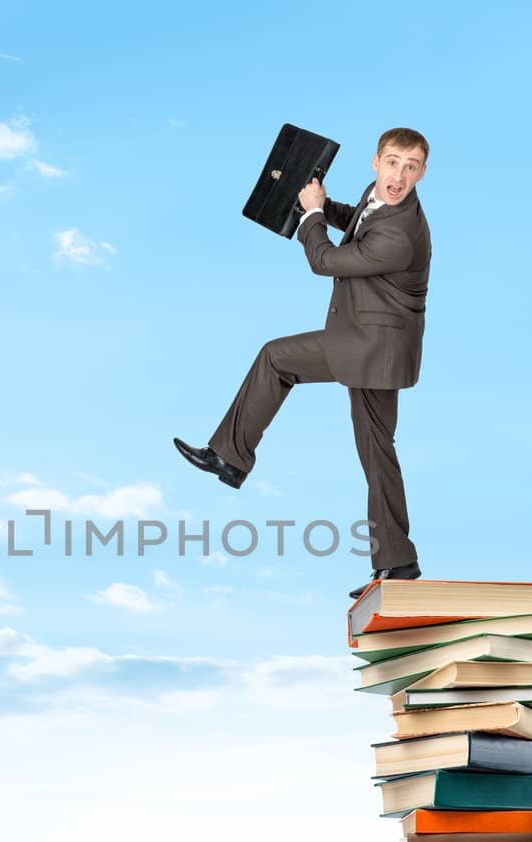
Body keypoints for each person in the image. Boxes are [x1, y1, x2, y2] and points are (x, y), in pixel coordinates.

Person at [173, 127, 432, 599]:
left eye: (411, 167)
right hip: (375, 342)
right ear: (376, 162)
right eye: (393, 162)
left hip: (369, 345)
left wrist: (311, 214)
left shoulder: (401, 235)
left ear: (422, 173)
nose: (400, 175)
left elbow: (326, 260)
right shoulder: (382, 200)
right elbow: (359, 218)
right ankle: (400, 564)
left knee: (276, 359)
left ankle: (230, 457)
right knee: (378, 453)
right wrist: (323, 205)